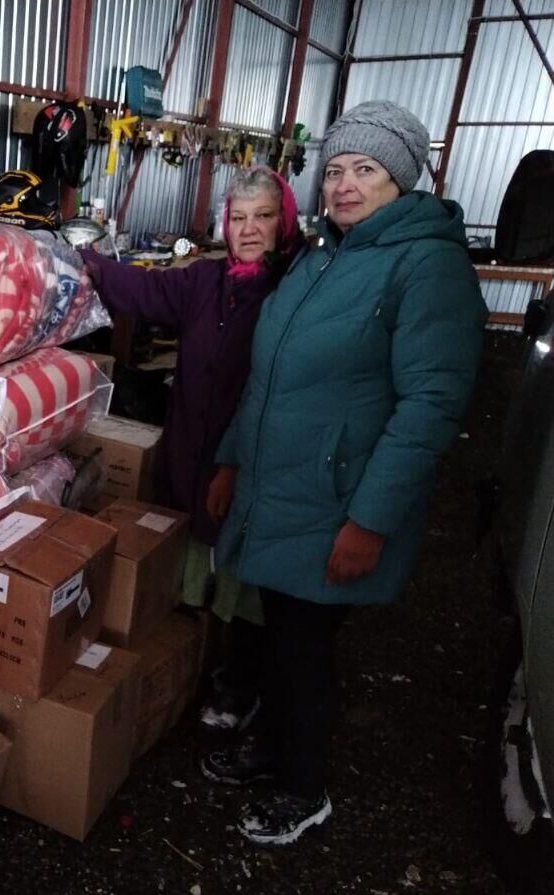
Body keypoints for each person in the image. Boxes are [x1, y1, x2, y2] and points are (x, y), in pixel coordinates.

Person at [203, 100, 486, 845]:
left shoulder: (427, 265)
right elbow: (269, 375)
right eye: (334, 170)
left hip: (336, 501)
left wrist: (370, 520)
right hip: (278, 486)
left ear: (401, 176)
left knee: (304, 647)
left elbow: (432, 403)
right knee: (280, 633)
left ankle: (303, 787)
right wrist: (233, 456)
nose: (345, 184)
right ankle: (272, 749)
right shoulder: (323, 253)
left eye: (365, 169)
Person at [81, 165, 302, 731]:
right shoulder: (205, 280)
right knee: (191, 560)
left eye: (264, 217)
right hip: (190, 445)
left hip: (250, 458)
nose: (249, 229)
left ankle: (239, 683)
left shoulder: (293, 288)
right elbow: (145, 289)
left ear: (285, 221)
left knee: (244, 577)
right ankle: (187, 664)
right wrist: (83, 261)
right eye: (239, 217)